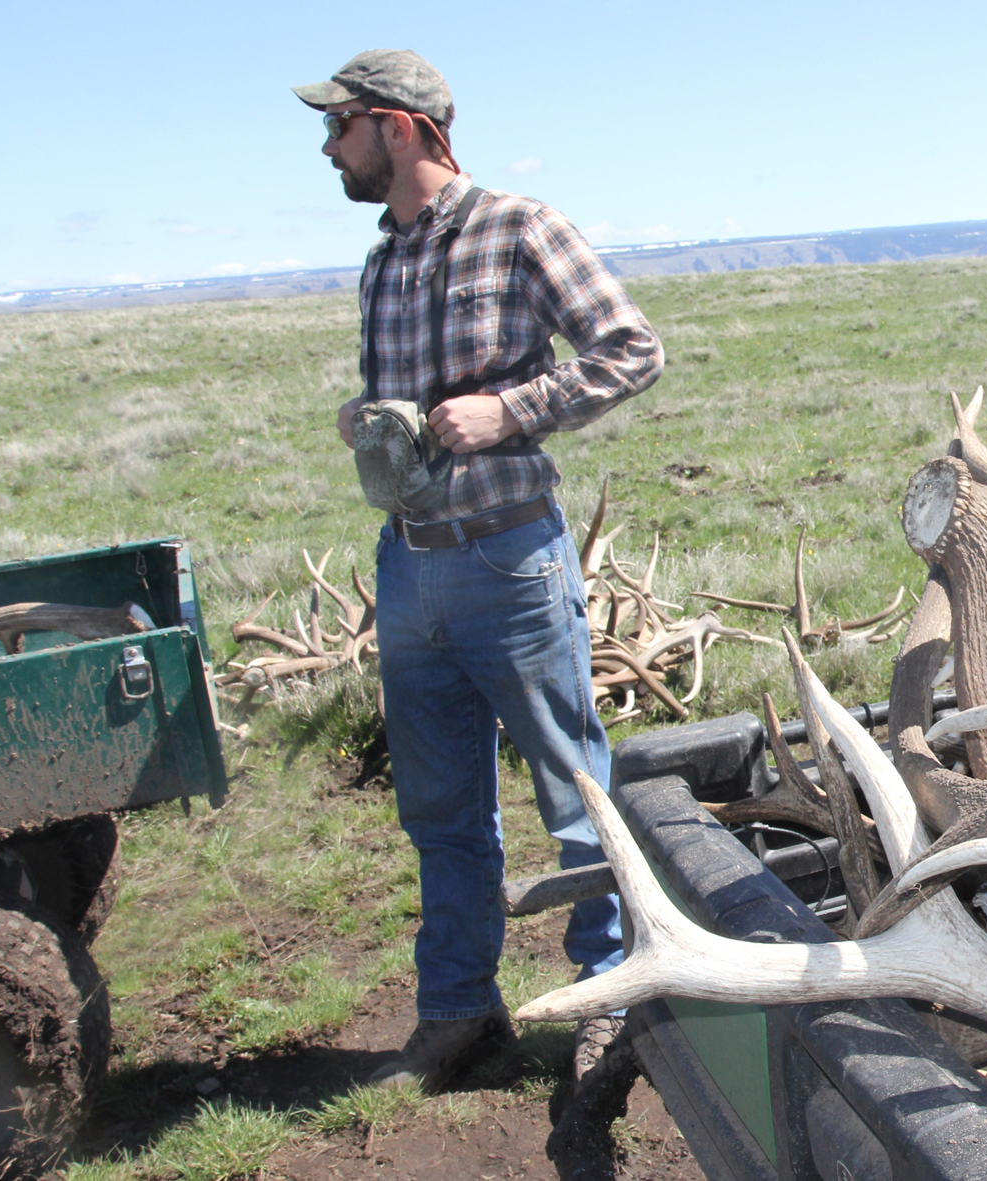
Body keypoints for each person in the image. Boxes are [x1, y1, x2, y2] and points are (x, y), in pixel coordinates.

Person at [293, 49, 662, 1089]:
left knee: (575, 795)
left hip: (510, 563)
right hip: (408, 571)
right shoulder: (380, 261)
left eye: (340, 127)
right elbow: (412, 408)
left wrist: (513, 410)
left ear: (399, 126)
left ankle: (614, 999)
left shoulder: (519, 227)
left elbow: (631, 348)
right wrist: (373, 425)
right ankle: (459, 1010)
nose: (328, 148)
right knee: (442, 811)